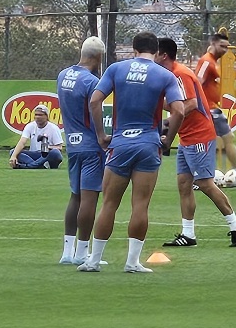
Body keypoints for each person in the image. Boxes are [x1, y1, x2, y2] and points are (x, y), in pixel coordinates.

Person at [79, 32, 187, 274]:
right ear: (157, 51)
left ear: (134, 50)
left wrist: (100, 135)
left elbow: (95, 101)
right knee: (140, 205)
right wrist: (167, 141)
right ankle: (132, 262)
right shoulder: (165, 75)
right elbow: (179, 111)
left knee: (108, 204)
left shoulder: (117, 69)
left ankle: (94, 261)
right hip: (148, 145)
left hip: (120, 144)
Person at [158, 38, 236, 248]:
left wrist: (168, 121)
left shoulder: (179, 73)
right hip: (187, 136)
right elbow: (177, 105)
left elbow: (190, 104)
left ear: (163, 55)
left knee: (205, 184)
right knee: (183, 184)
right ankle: (188, 234)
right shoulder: (172, 73)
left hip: (199, 135)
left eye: (154, 53)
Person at [56, 37, 105, 264]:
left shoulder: (63, 75)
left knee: (75, 195)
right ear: (98, 57)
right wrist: (102, 136)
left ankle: (67, 252)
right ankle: (83, 253)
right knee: (89, 198)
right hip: (90, 145)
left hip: (72, 144)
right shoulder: (91, 81)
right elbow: (95, 110)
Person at [197, 33, 236, 188]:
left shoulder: (213, 62)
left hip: (211, 108)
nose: (224, 50)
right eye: (222, 46)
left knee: (214, 142)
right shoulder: (207, 61)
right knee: (225, 139)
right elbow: (196, 83)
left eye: (226, 47)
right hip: (209, 109)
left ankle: (198, 178)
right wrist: (200, 107)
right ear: (213, 43)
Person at [8, 104, 64, 169]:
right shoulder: (30, 126)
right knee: (13, 152)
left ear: (46, 116)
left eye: (40, 115)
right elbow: (22, 142)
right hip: (35, 154)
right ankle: (39, 166)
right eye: (36, 115)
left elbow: (59, 147)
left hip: (47, 155)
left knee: (55, 152)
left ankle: (30, 166)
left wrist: (47, 147)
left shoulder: (53, 128)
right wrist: (14, 156)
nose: (37, 117)